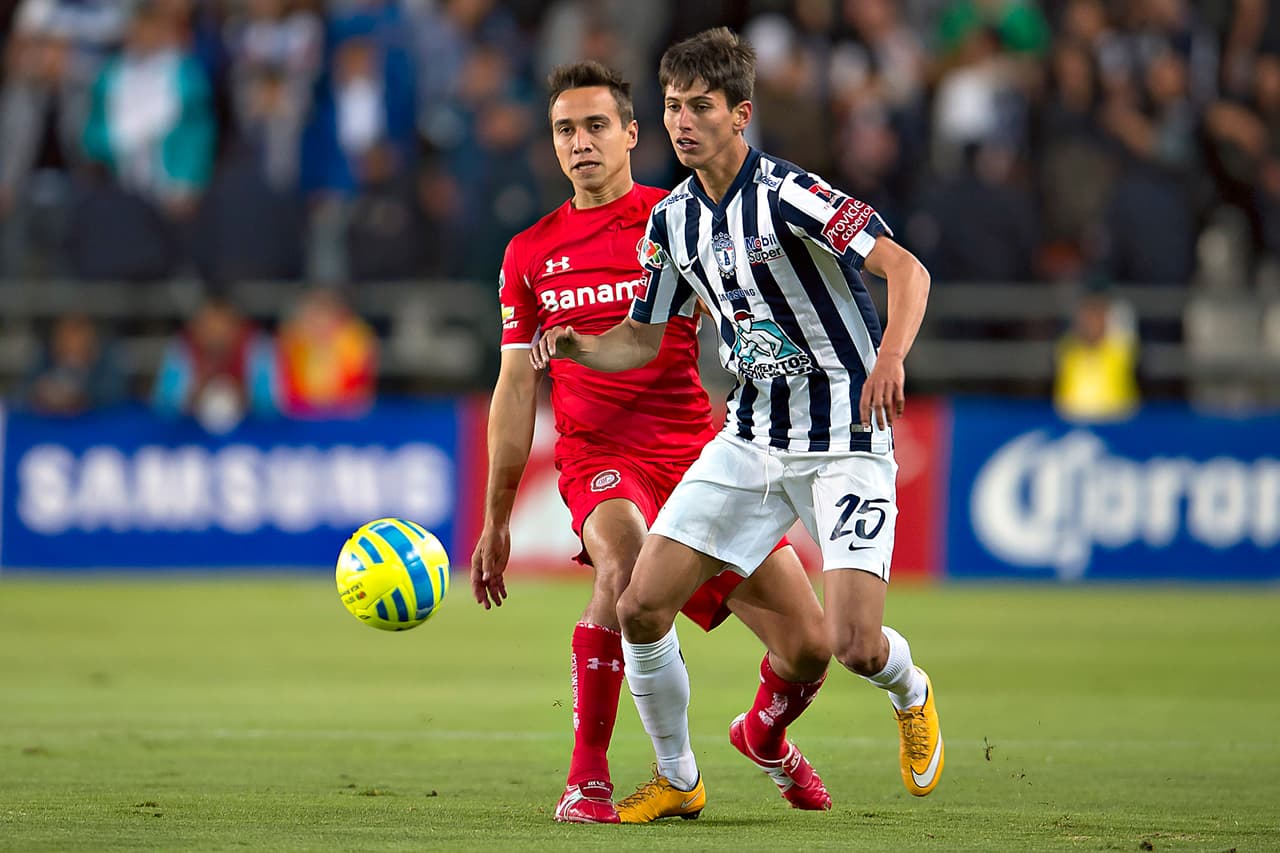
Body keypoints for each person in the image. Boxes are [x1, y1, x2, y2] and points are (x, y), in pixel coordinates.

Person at [533, 28, 944, 806]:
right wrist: (578, 344)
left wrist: (890, 356)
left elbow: (907, 269)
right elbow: (642, 337)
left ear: (740, 114)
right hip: (751, 440)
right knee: (640, 603)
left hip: (845, 438)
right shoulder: (673, 221)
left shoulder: (791, 193)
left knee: (853, 645)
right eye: (672, 107)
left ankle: (909, 687)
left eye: (700, 107)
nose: (682, 122)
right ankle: (677, 777)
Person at [471, 60, 833, 825]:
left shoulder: (681, 221)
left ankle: (764, 735)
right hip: (599, 457)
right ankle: (594, 778)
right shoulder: (528, 253)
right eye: (565, 129)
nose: (580, 142)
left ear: (633, 133)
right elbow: (514, 387)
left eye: (595, 125)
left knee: (809, 644)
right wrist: (496, 518)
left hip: (701, 454)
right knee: (624, 563)